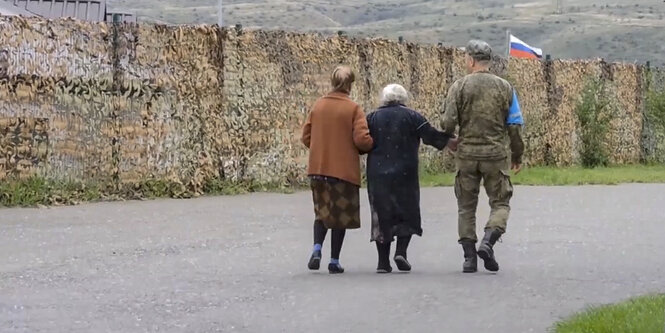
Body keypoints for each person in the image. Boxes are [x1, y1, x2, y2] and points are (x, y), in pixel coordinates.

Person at [441, 40, 525, 273]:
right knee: (500, 202)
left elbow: (447, 123)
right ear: (489, 61)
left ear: (470, 60)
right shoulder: (505, 88)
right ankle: (488, 241)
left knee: (466, 207)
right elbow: (515, 126)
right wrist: (517, 154)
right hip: (495, 155)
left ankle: (469, 259)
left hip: (466, 154)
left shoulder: (459, 87)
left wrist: (449, 140)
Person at [366, 84, 457, 273]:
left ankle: (383, 262)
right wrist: (449, 141)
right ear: (403, 98)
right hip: (405, 171)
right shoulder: (412, 116)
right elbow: (429, 135)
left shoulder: (372, 118)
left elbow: (361, 141)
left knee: (381, 213)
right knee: (407, 210)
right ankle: (401, 252)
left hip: (378, 172)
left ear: (384, 98)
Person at [301, 65, 374, 274]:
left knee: (322, 212)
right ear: (350, 84)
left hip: (318, 169)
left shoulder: (318, 106)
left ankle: (316, 249)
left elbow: (306, 137)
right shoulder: (353, 108)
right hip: (343, 172)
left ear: (332, 82)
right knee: (339, 216)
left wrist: (319, 149)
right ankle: (334, 260)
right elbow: (362, 139)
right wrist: (368, 146)